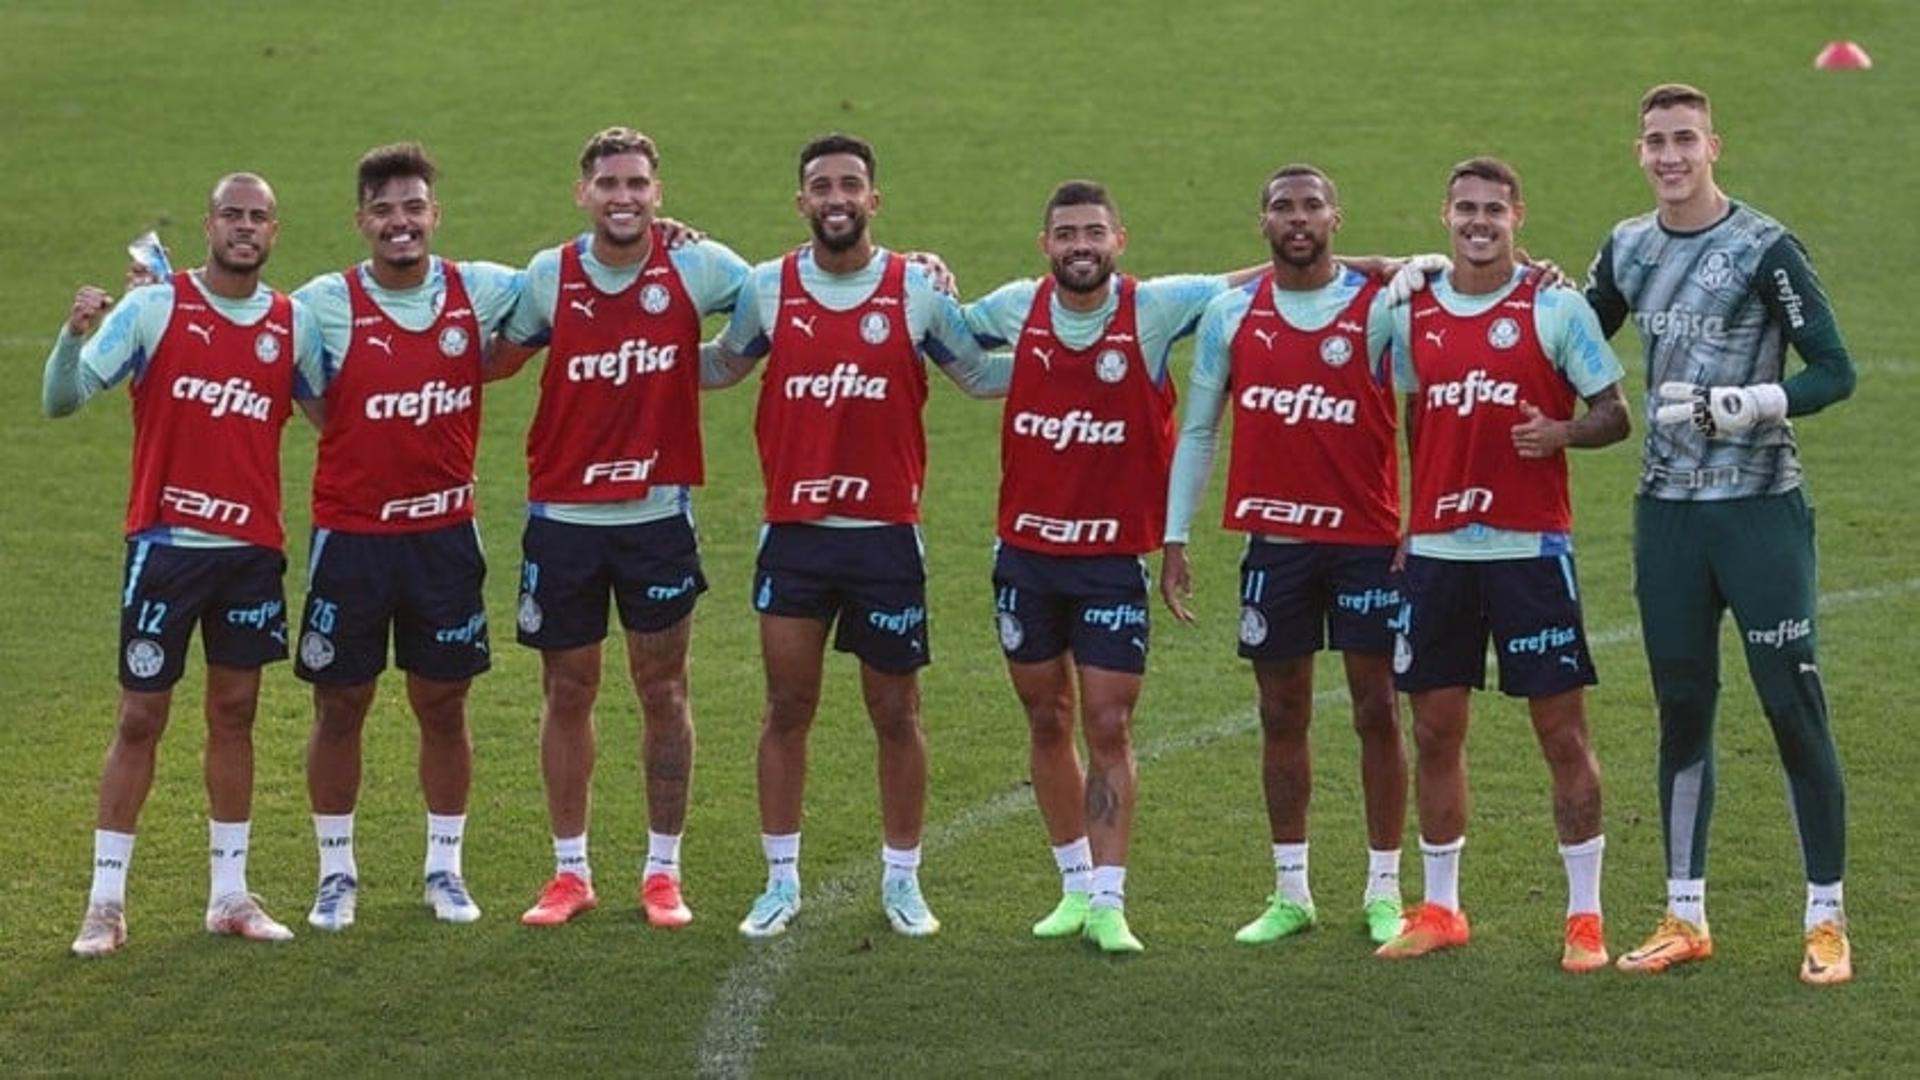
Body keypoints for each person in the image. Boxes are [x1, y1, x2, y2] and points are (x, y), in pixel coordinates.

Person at [703, 132, 1008, 939]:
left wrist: (1075, 350)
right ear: (800, 202)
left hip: (883, 538)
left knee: (896, 713)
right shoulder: (767, 289)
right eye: (821, 186)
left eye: (850, 186)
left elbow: (977, 374)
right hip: (794, 536)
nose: (836, 199)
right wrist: (629, 338)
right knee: (786, 706)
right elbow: (722, 365)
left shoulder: (915, 292)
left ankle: (902, 881)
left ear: (874, 200)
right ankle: (779, 881)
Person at [1586, 84, 1858, 985]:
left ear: (1714, 146)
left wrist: (1754, 403)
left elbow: (1835, 369)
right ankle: (1683, 913)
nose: (1670, 156)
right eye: (1656, 141)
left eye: (1685, 140)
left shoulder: (1761, 246)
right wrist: (1480, 282)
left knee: (1792, 705)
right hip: (1667, 518)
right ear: (1640, 152)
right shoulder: (1626, 247)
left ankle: (1826, 919)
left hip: (1758, 512)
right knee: (1683, 710)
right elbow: (1571, 340)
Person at [960, 180, 1266, 953]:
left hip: (1108, 560)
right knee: (1045, 716)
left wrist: (1405, 266)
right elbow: (945, 338)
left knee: (1107, 722)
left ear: (1119, 240)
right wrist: (924, 269)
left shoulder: (1154, 308)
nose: (1080, 245)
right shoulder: (1012, 309)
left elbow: (1266, 278)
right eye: (1066, 234)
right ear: (1046, 246)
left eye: (1093, 231)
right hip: (1025, 556)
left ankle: (1108, 898)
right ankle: (1071, 885)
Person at [47, 173, 324, 955]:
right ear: (209, 225)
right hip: (165, 549)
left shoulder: (292, 323)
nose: (245, 227)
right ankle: (105, 905)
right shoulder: (154, 307)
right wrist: (73, 335)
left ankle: (229, 895)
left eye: (259, 217)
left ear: (276, 230)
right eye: (232, 214)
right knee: (141, 717)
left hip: (250, 555)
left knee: (234, 715)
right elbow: (61, 400)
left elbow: (333, 416)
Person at [487, 127, 749, 928]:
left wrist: (705, 368)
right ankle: (570, 873)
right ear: (583, 194)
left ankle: (662, 874)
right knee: (568, 689)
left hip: (655, 519)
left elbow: (789, 299)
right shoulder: (547, 277)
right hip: (563, 519)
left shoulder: (699, 265)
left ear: (659, 194)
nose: (623, 196)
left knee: (662, 689)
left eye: (637, 183)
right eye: (608, 183)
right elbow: (496, 357)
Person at [1377, 157, 1629, 973]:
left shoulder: (1554, 307)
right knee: (1435, 729)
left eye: (1494, 209)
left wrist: (1561, 434)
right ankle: (1442, 907)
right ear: (1444, 216)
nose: (1479, 222)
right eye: (1465, 210)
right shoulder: (1415, 312)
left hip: (1530, 549)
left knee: (1561, 733)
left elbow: (1613, 415)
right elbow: (1415, 414)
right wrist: (1416, 517)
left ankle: (1584, 919)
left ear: (1518, 214)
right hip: (1441, 553)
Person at [1159, 165, 1409, 948]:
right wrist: (1174, 536)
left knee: (1377, 711)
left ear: (1336, 216)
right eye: (1281, 208)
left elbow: (1427, 405)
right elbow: (1199, 430)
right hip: (1278, 545)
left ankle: (1384, 889)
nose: (1296, 219)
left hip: (1370, 543)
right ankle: (1291, 890)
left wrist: (1420, 518)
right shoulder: (1233, 314)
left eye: (1310, 206)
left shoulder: (1379, 308)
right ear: (1261, 222)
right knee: (1280, 713)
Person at [292, 143, 522, 930]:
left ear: (434, 215)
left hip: (444, 539)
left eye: (413, 207)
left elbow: (577, 288)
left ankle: (445, 870)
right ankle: (335, 874)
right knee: (341, 704)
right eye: (384, 210)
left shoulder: (480, 289)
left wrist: (670, 240)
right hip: (351, 539)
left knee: (443, 704)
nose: (400, 222)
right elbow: (267, 354)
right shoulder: (321, 302)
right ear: (361, 221)